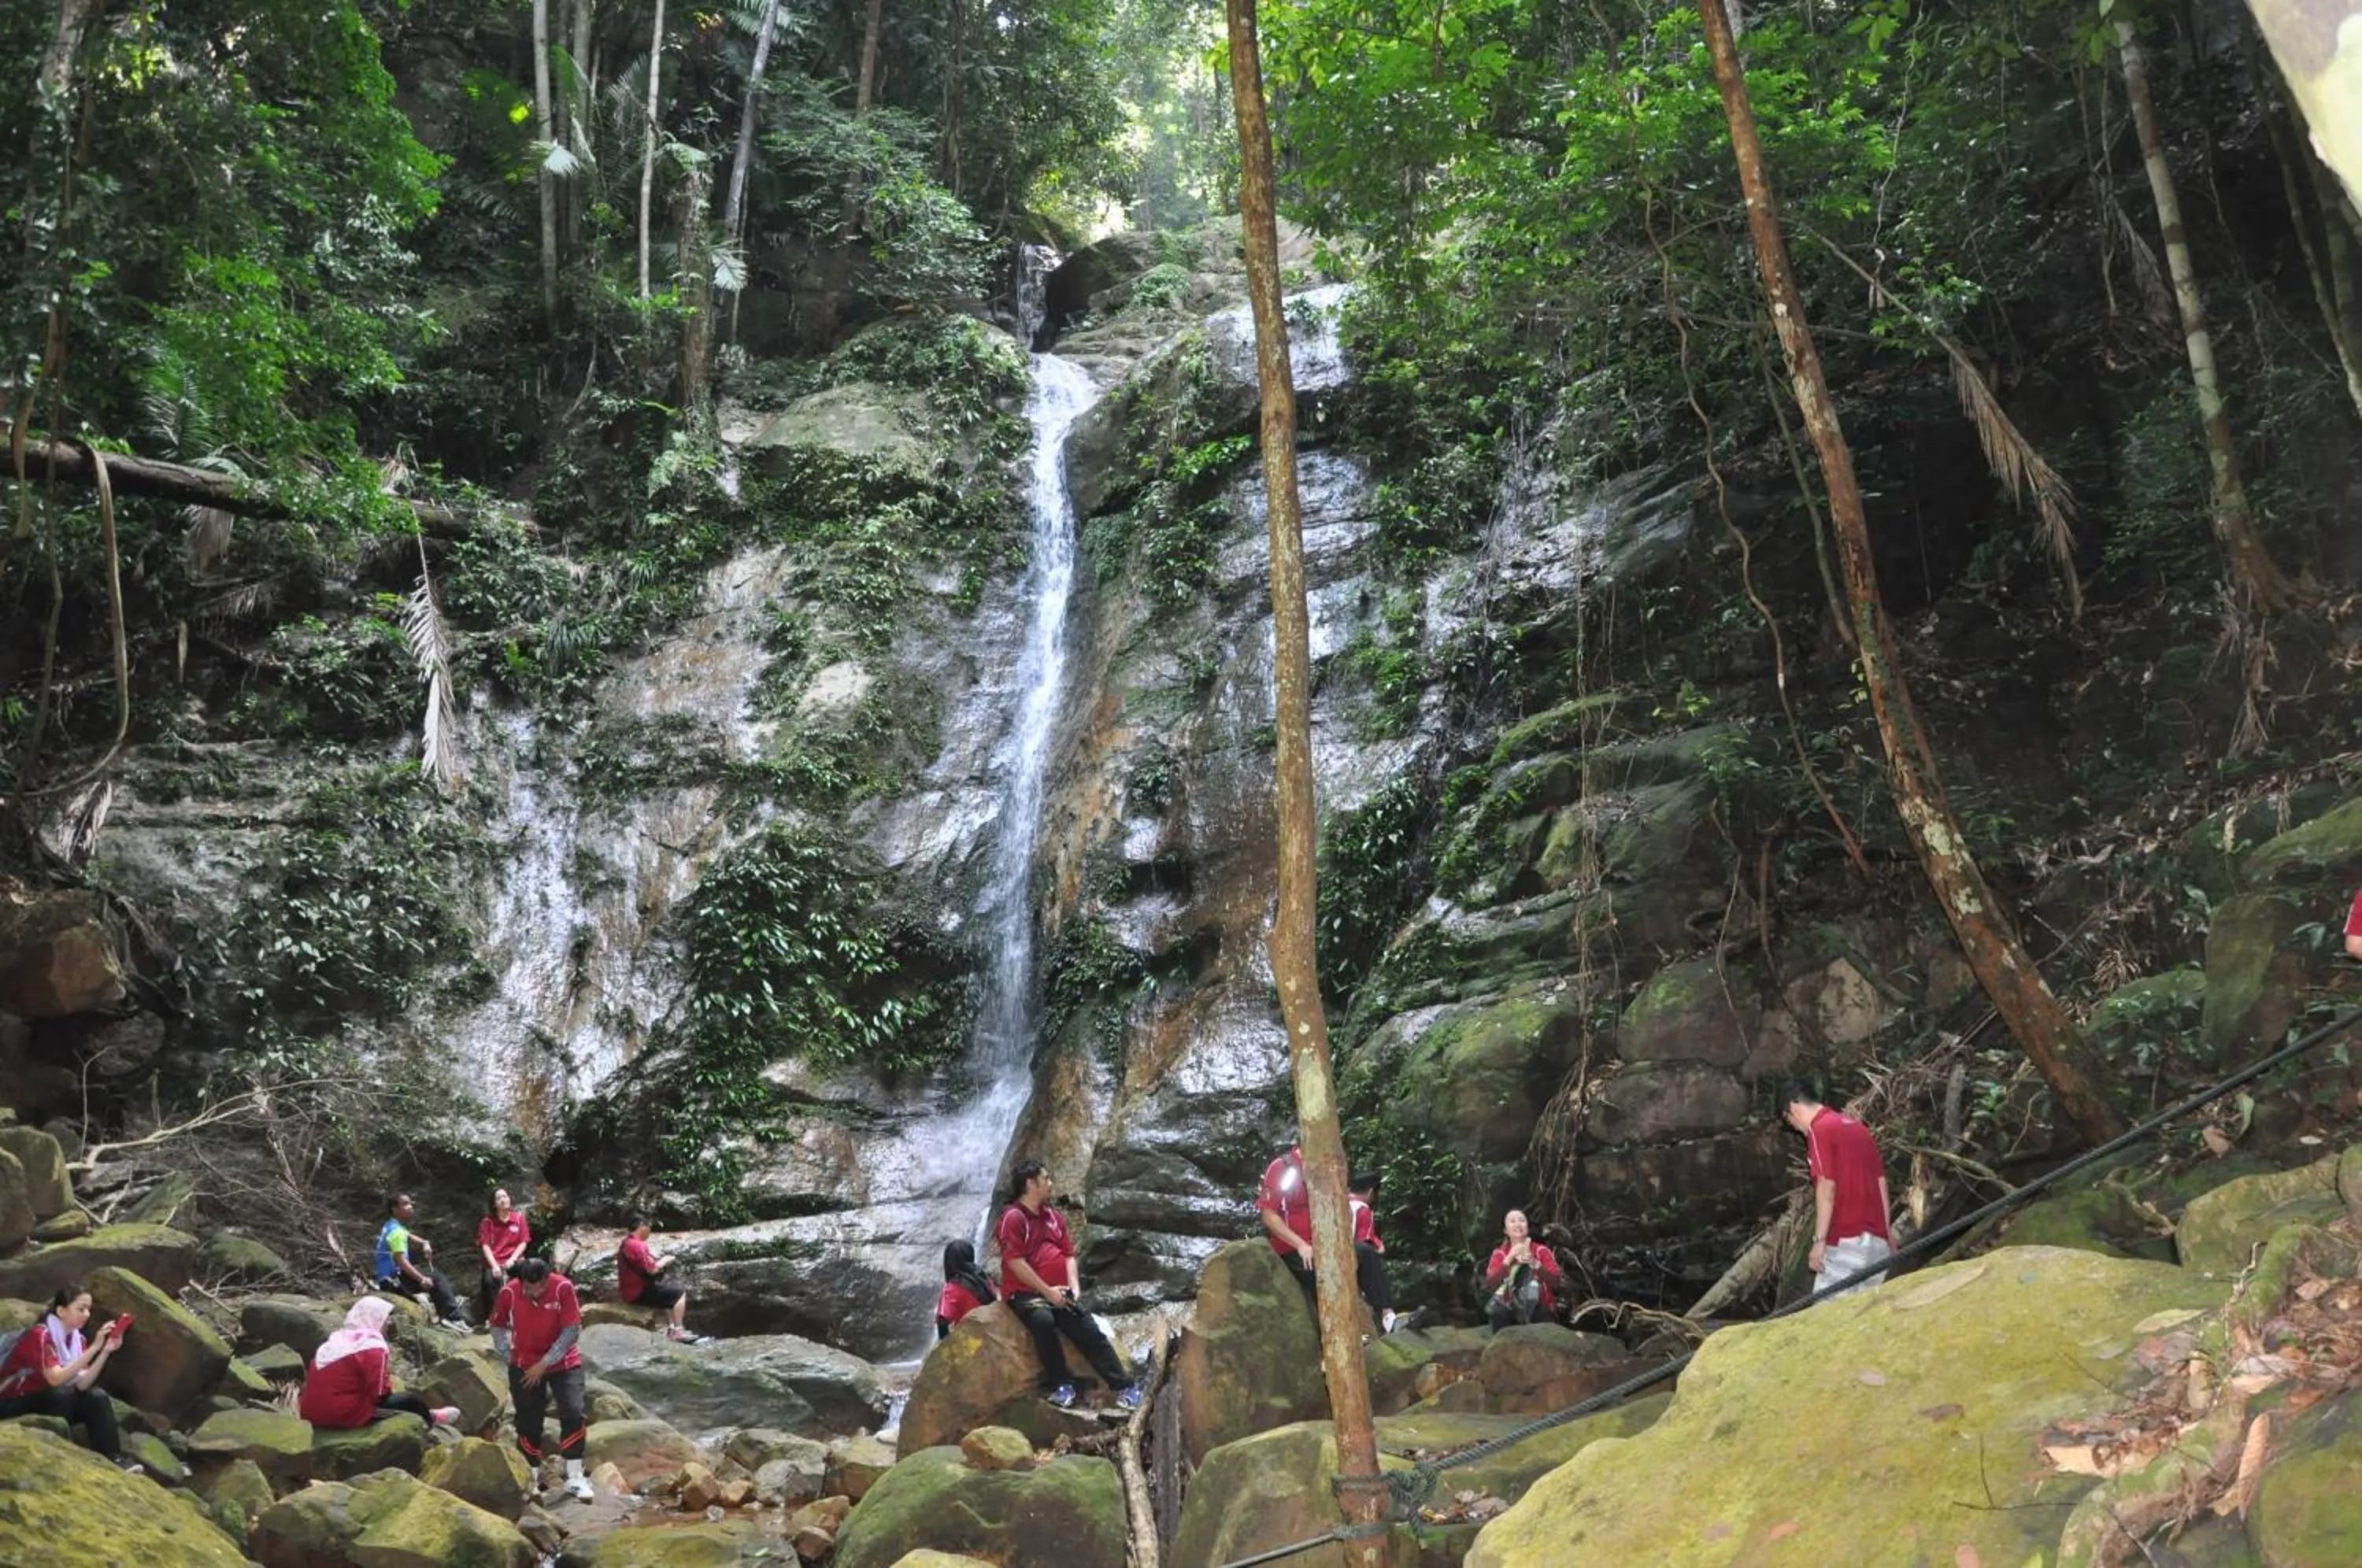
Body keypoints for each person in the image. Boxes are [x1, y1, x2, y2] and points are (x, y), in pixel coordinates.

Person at [994, 1160, 1141, 1409]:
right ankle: (1061, 1384)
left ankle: (1125, 1387)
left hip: (1060, 1292)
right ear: (1031, 1184)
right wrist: (1048, 1292)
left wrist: (1073, 1286)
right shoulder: (1014, 1218)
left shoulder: (1052, 1216)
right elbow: (1015, 1262)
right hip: (1025, 1293)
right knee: (1043, 1320)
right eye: (1046, 1179)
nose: (1051, 1184)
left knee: (1086, 1325)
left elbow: (1068, 1254)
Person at [0, 1283, 138, 1470]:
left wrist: (105, 1350)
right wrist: (94, 1348)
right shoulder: (40, 1335)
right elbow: (55, 1379)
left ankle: (114, 1459)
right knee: (61, 1394)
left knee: (96, 1397)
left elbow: (83, 1384)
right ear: (61, 1310)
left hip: (48, 1401)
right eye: (81, 1309)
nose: (87, 1315)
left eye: (89, 1310)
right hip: (12, 1402)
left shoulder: (77, 1340)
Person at [1257, 1142, 1394, 1326]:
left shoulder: (1324, 1170)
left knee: (1365, 1253)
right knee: (1325, 1277)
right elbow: (1268, 1215)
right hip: (1293, 1247)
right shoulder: (1285, 1168)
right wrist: (1300, 1245)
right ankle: (1338, 1330)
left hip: (1323, 1242)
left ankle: (1389, 1317)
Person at [491, 1257, 594, 1501]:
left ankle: (575, 1476)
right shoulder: (509, 1292)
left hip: (563, 1363)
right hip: (524, 1364)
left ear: (547, 1280)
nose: (533, 1293)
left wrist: (544, 1363)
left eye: (538, 1288)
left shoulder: (563, 1288)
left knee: (573, 1411)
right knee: (528, 1419)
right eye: (528, 1288)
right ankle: (531, 1476)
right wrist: (509, 1355)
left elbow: (571, 1331)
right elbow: (497, 1324)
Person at [1781, 1081, 1894, 1297]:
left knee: (1827, 1317)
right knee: (1865, 1317)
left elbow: (1826, 1187)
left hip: (1845, 1243)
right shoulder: (1858, 1129)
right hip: (1877, 1245)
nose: (1796, 1129)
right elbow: (1881, 1183)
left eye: (1791, 1123)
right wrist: (1887, 1236)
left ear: (1793, 1109)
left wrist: (1819, 1241)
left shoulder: (1819, 1130)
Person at [298, 1297, 461, 1430]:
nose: (388, 1323)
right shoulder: (372, 1346)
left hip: (310, 1412)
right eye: (384, 1319)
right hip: (343, 1414)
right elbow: (380, 1393)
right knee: (409, 1401)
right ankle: (431, 1419)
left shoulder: (335, 1341)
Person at [376, 1193, 468, 1329]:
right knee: (436, 1277)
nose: (410, 1207)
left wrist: (424, 1242)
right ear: (395, 1209)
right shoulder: (396, 1233)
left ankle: (445, 1313)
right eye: (405, 1204)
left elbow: (408, 1235)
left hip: (388, 1278)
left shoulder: (391, 1226)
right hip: (394, 1281)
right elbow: (400, 1261)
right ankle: (451, 1318)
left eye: (410, 1203)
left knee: (431, 1273)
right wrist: (422, 1279)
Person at [616, 1215, 699, 1344]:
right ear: (641, 1226)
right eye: (649, 1226)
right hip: (638, 1293)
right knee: (679, 1293)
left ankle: (671, 1329)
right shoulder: (637, 1245)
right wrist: (664, 1261)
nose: (650, 1230)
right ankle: (678, 1330)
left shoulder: (626, 1243)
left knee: (666, 1290)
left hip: (629, 1291)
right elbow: (652, 1270)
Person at [1483, 1210, 1564, 1329]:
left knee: (1543, 1316)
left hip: (1540, 1308)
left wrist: (1536, 1264)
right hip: (1509, 1309)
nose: (1518, 1224)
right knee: (1499, 1315)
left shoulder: (1541, 1251)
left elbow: (1556, 1283)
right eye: (1512, 1221)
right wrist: (1508, 1260)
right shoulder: (1499, 1254)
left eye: (1522, 1220)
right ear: (1505, 1231)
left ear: (1527, 1227)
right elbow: (1490, 1284)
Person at [1346, 1170, 1402, 1333]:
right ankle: (1388, 1317)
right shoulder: (1362, 1209)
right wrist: (1378, 1247)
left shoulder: (1340, 1201)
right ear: (1371, 1191)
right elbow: (1363, 1241)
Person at [476, 1189, 532, 1322]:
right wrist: (495, 1266)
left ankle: (529, 1310)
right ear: (494, 1204)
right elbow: (485, 1246)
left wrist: (513, 1259)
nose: (503, 1200)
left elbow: (523, 1242)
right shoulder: (487, 1222)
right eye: (499, 1198)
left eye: (505, 1196)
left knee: (529, 1269)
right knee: (490, 1280)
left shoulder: (519, 1218)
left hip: (513, 1260)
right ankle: (495, 1317)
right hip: (494, 1262)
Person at [936, 1238, 996, 1339]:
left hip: (970, 1338)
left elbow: (942, 1319)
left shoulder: (952, 1288)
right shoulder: (983, 1276)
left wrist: (944, 1344)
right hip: (991, 1331)